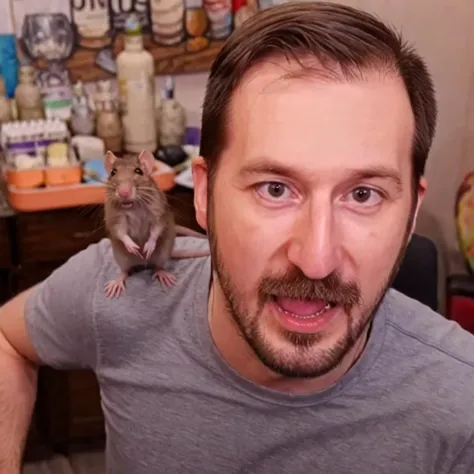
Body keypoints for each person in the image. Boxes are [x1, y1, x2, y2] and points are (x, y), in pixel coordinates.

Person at [1, 2, 473, 473]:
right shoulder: (112, 290)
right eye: (275, 189)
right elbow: (7, 336)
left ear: (412, 210)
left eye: (364, 194)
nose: (316, 258)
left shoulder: (461, 406)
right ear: (203, 195)